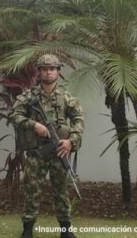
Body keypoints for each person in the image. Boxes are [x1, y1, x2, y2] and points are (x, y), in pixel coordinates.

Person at [9, 54, 85, 238]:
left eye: (52, 69)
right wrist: (34, 125)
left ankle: (65, 230)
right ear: (39, 72)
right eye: (44, 69)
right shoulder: (29, 96)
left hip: (59, 150)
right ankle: (28, 229)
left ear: (58, 71)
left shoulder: (66, 96)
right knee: (32, 190)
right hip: (37, 153)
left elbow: (79, 119)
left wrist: (71, 141)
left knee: (61, 191)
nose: (48, 72)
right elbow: (14, 115)